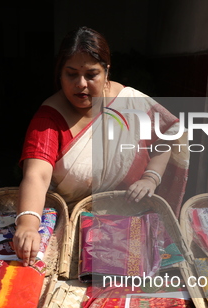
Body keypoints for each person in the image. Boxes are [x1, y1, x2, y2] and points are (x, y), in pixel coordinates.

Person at [13, 27, 189, 265]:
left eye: (91, 74)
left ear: (107, 72)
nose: (81, 84)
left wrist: (151, 178)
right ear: (59, 74)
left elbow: (166, 134)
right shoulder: (49, 118)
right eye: (71, 74)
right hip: (71, 224)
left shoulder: (129, 102)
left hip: (131, 217)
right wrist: (28, 225)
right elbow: (37, 175)